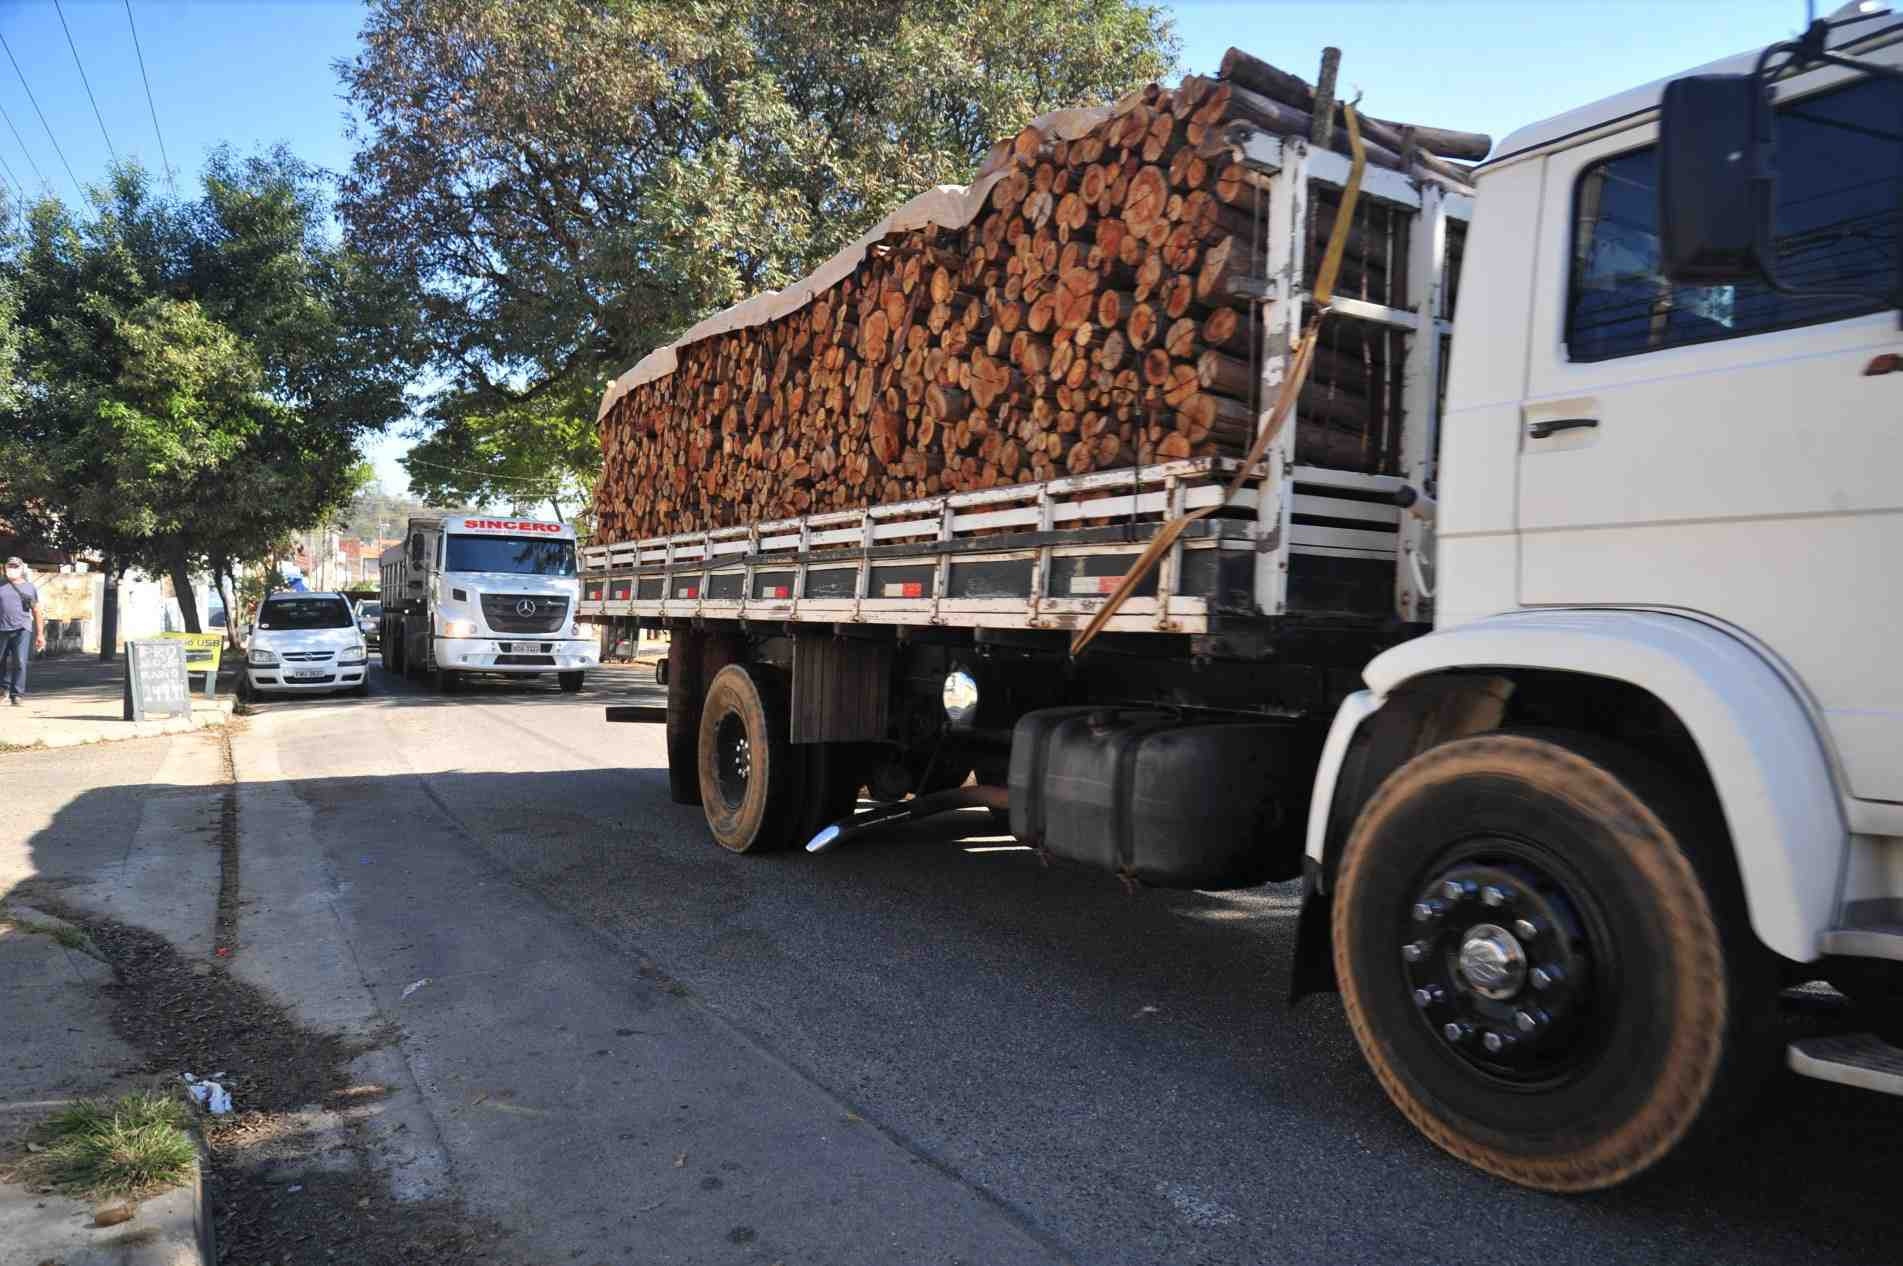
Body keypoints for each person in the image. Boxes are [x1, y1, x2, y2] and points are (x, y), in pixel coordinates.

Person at [1, 556, 45, 707]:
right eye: (9, 566)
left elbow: (37, 610)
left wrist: (40, 634)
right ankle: (3, 689)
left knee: (19, 662)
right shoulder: (1, 585)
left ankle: (17, 694)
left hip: (22, 629)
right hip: (1, 629)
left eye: (15, 566)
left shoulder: (29, 588)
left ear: (21, 569)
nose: (12, 569)